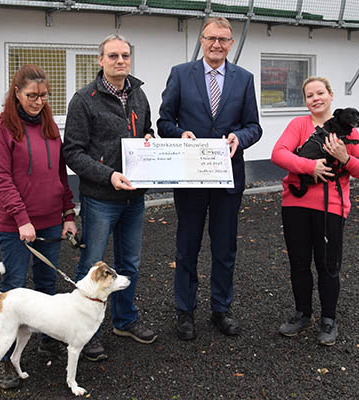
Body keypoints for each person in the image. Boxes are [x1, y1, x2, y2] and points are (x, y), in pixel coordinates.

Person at [157, 17, 262, 341]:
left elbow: (254, 126)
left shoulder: (244, 79)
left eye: (223, 39)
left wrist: (238, 139)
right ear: (201, 40)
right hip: (190, 176)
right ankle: (184, 312)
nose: (217, 44)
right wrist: (180, 133)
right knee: (187, 247)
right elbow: (164, 121)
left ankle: (221, 309)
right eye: (211, 38)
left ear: (231, 43)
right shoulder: (180, 74)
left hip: (228, 178)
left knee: (224, 248)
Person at [63, 33, 157, 361]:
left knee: (129, 263)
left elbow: (148, 131)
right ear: (100, 60)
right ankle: (82, 331)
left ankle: (125, 320)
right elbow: (72, 153)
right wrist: (108, 175)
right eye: (113, 56)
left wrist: (148, 139)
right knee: (92, 265)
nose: (120, 61)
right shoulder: (83, 99)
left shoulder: (140, 95)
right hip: (101, 197)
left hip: (134, 197)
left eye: (125, 56)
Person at [0, 64, 78, 389]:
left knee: (46, 284)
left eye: (43, 96)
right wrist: (22, 218)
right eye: (31, 96)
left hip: (51, 221)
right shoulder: (3, 130)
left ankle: (45, 337)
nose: (38, 101)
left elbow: (60, 174)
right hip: (16, 226)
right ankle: (5, 360)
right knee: (13, 287)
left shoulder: (50, 126)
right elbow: (1, 179)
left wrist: (68, 213)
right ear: (16, 93)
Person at [271, 76, 359, 346]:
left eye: (319, 93)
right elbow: (278, 154)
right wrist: (309, 167)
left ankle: (328, 319)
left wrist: (344, 157)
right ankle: (303, 314)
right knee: (299, 262)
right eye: (309, 95)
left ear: (330, 95)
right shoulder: (299, 124)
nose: (315, 99)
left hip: (332, 207)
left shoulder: (348, 130)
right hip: (295, 204)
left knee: (328, 265)